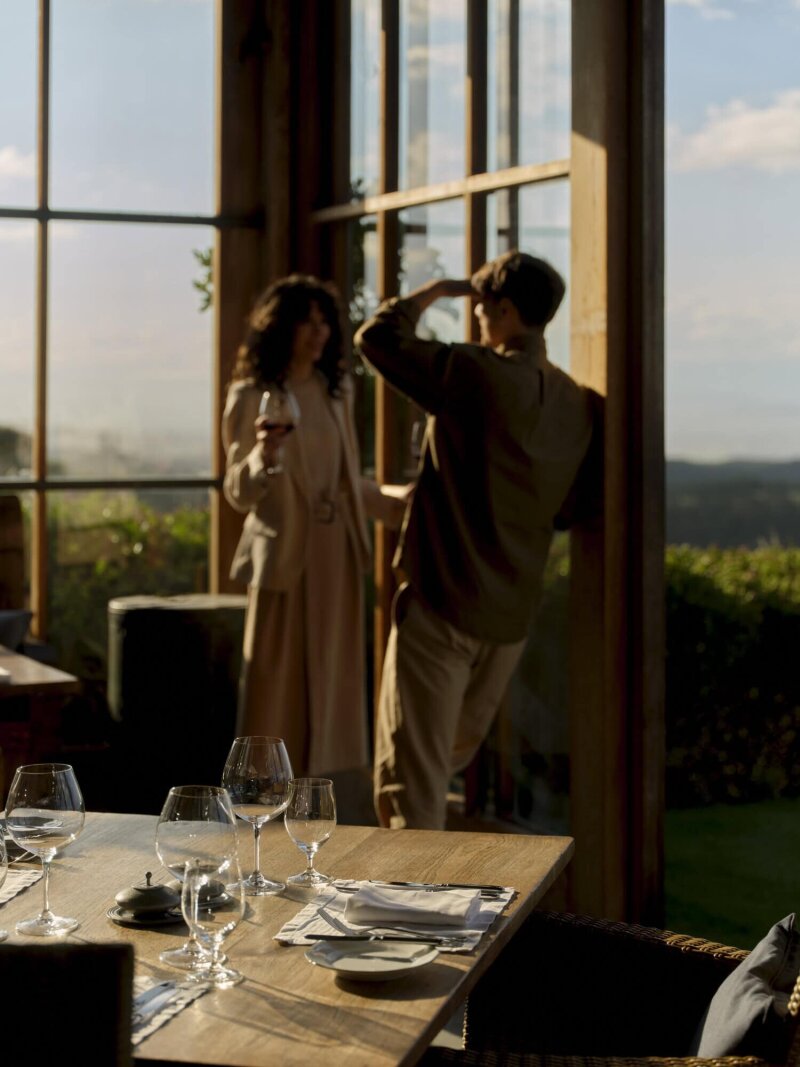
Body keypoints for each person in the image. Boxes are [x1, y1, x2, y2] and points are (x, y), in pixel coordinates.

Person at [355, 250, 598, 829]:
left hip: (443, 607)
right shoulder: (575, 404)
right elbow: (561, 509)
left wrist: (434, 291)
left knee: (410, 786)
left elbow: (377, 338)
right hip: (509, 620)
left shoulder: (476, 373)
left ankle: (412, 917)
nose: (478, 318)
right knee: (441, 766)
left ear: (506, 310)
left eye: (484, 306)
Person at [222, 274, 403, 777]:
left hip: (336, 552)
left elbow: (346, 482)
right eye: (308, 320)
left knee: (333, 682)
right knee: (276, 687)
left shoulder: (336, 392)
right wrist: (264, 453)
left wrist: (397, 501)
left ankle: (326, 802)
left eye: (325, 321)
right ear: (282, 327)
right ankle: (261, 797)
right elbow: (238, 492)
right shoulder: (250, 395)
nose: (319, 331)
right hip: (283, 556)